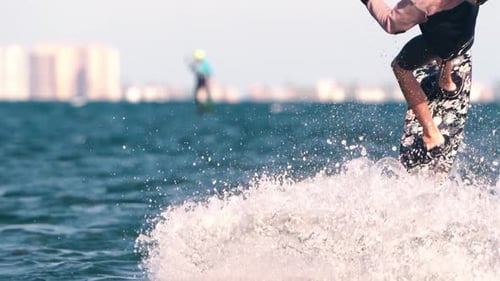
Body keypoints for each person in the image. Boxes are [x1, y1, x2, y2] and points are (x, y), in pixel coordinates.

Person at [360, 0, 487, 156]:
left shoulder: (420, 2)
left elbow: (391, 24)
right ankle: (447, 82)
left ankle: (431, 134)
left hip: (441, 43)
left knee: (400, 67)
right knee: (442, 29)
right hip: (465, 38)